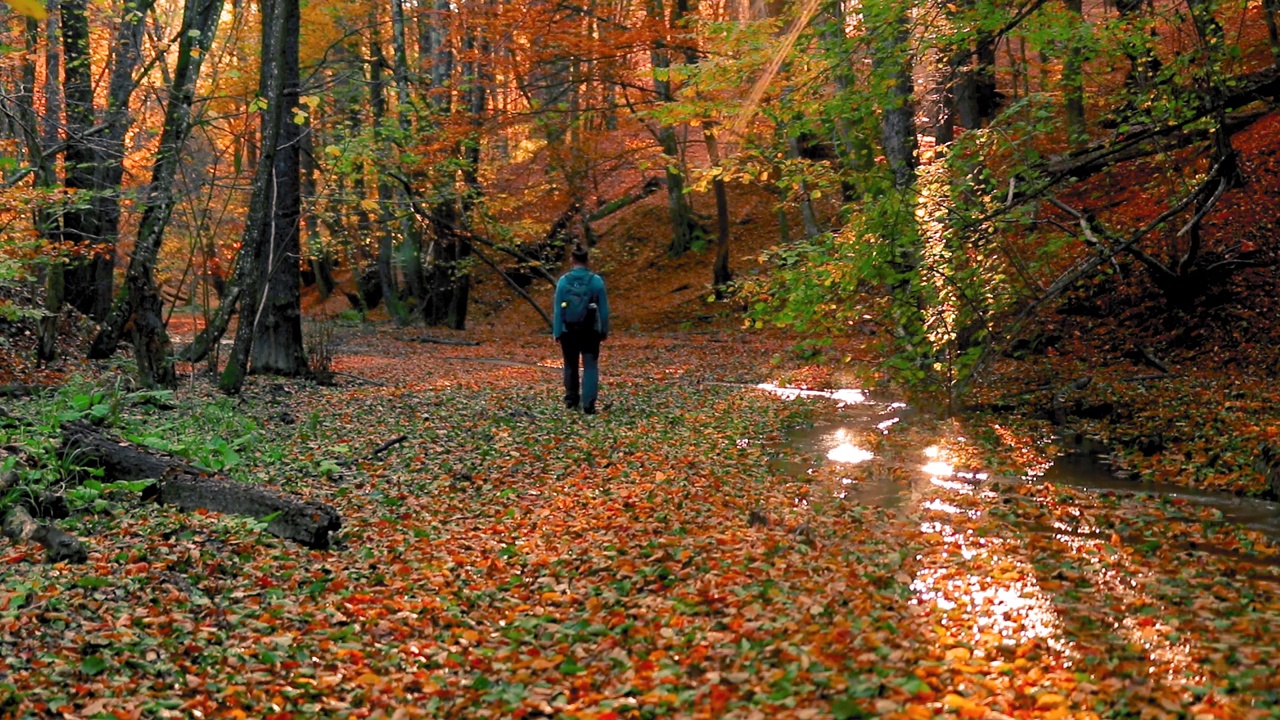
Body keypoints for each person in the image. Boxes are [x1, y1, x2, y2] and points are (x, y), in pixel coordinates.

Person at [553, 246, 609, 414]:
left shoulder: (564, 281)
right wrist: (603, 330)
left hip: (568, 330)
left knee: (570, 365)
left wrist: (557, 331)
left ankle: (571, 400)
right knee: (590, 366)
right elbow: (604, 309)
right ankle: (589, 404)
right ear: (587, 260)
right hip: (590, 330)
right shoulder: (596, 281)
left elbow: (557, 309)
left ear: (572, 260)